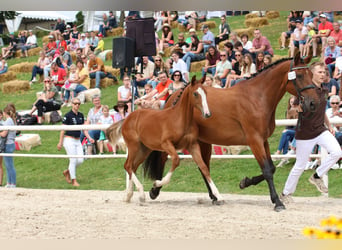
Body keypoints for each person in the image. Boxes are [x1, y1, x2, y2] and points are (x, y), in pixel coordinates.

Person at [280, 62, 342, 203]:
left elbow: (321, 110)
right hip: (305, 133)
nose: (323, 74)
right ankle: (285, 194)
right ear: (312, 73)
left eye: (324, 72)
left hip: (321, 130)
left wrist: (329, 125)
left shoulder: (324, 90)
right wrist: (299, 109)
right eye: (319, 72)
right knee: (300, 166)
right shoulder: (303, 91)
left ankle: (317, 176)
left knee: (337, 152)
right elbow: (293, 109)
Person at [57, 97, 85, 187]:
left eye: (78, 104)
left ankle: (68, 171)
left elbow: (83, 128)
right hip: (69, 139)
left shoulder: (81, 115)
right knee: (73, 160)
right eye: (75, 103)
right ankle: (74, 180)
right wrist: (60, 142)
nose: (77, 105)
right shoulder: (68, 115)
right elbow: (62, 129)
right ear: (72, 104)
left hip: (77, 140)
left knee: (80, 160)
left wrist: (89, 137)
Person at [275, 96, 300, 167]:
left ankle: (279, 152)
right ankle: (284, 156)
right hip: (293, 131)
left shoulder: (301, 111)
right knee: (286, 134)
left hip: (300, 132)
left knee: (286, 133)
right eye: (291, 102)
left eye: (294, 103)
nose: (293, 104)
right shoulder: (289, 111)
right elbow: (288, 124)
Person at [0, 103, 17, 188]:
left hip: (8, 144)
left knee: (9, 165)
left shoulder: (8, 121)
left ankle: (12, 183)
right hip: (11, 143)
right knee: (8, 165)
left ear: (4, 113)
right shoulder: (12, 120)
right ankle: (9, 182)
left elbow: (4, 134)